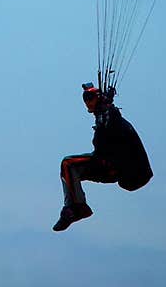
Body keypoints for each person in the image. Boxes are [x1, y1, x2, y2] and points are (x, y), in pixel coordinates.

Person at [53, 82, 152, 231]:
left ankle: (77, 209)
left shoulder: (110, 117)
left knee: (68, 164)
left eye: (90, 97)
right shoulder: (105, 115)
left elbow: (105, 141)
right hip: (112, 167)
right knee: (69, 170)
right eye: (85, 98)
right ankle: (73, 208)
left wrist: (105, 105)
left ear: (98, 99)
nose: (87, 101)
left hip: (114, 167)